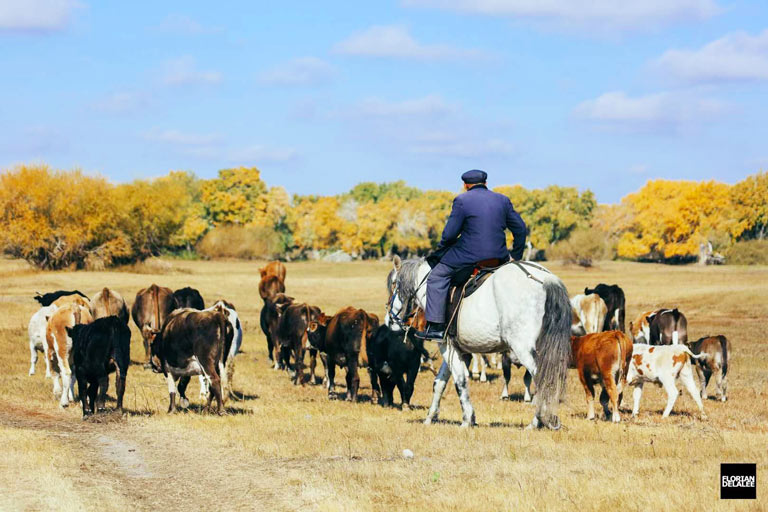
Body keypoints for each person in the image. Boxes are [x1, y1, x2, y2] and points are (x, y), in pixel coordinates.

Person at [417, 170, 527, 340]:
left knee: (437, 277)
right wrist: (516, 255)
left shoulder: (462, 200)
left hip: (467, 256)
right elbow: (520, 229)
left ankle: (436, 328)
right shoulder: (502, 200)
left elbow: (449, 234)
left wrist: (442, 249)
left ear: (465, 185)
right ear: (486, 183)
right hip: (499, 256)